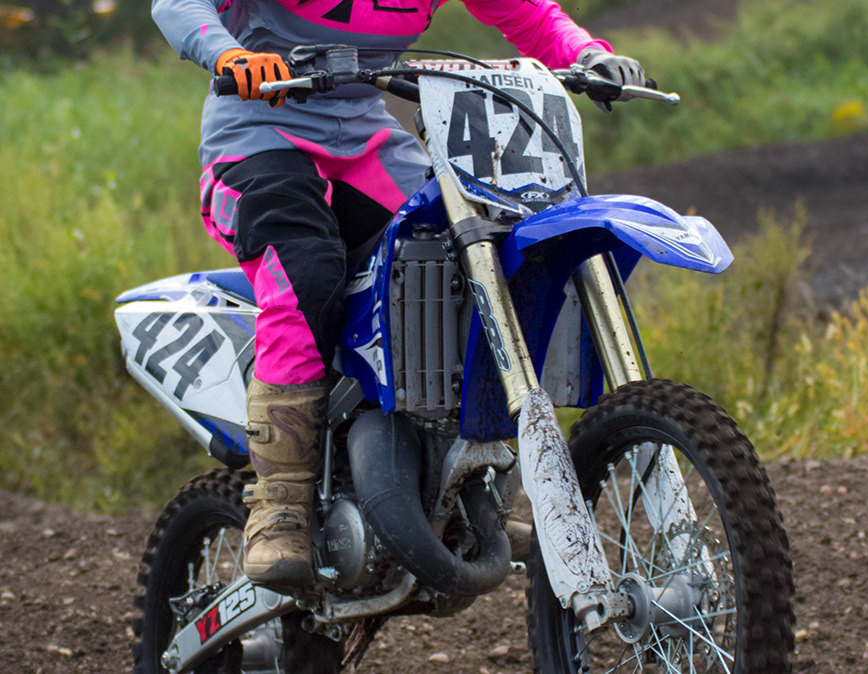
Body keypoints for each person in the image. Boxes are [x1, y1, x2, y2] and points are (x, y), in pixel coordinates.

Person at [151, 0, 645, 591]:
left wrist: (586, 54)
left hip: (366, 142)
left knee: (473, 252)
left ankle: (471, 482)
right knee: (305, 275)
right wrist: (229, 55)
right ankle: (279, 504)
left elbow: (528, 13)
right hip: (258, 139)